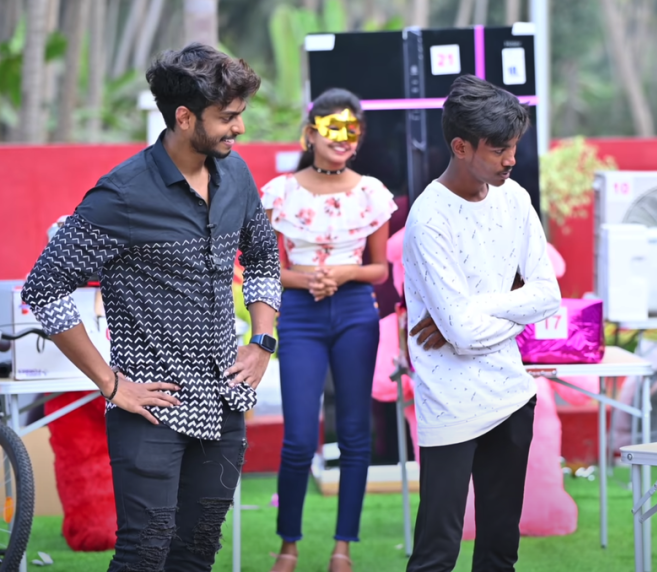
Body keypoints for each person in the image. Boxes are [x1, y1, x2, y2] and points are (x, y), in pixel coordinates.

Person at [20, 43, 279, 571]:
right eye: (227, 117)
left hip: (224, 399)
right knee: (145, 552)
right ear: (184, 117)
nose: (239, 128)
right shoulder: (122, 194)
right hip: (149, 408)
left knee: (197, 550)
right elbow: (44, 287)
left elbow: (263, 259)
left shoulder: (237, 176)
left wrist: (261, 341)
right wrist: (111, 383)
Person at [401, 74, 561, 571]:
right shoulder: (429, 218)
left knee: (500, 551)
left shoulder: (515, 199)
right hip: (449, 400)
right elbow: (465, 336)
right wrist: (513, 306)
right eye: (499, 149)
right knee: (436, 553)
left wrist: (474, 308)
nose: (511, 159)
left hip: (512, 395)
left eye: (514, 146)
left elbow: (548, 295)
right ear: (461, 146)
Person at [262, 88, 396, 572]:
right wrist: (307, 281)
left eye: (352, 130)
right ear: (311, 132)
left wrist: (343, 273)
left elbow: (380, 269)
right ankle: (288, 546)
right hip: (300, 314)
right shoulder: (280, 192)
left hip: (355, 311)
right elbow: (264, 268)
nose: (343, 138)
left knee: (356, 434)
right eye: (333, 128)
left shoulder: (372, 193)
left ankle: (343, 548)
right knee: (299, 437)